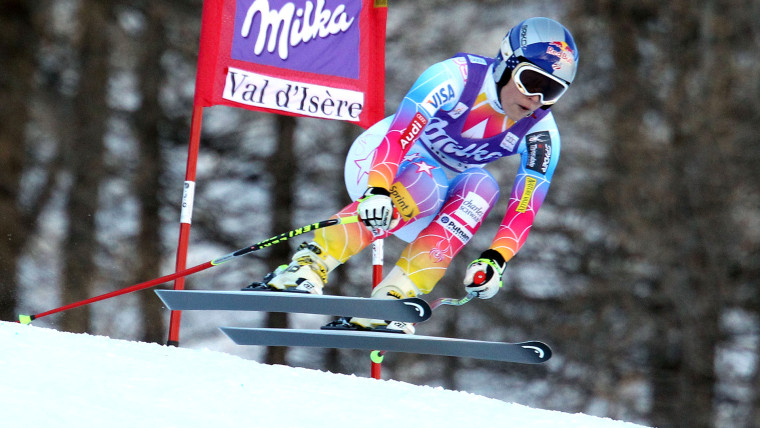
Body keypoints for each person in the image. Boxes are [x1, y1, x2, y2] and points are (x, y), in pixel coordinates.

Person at [247, 17, 578, 334]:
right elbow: (398, 137)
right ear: (506, 63)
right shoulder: (455, 77)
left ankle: (394, 298)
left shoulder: (542, 133)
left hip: (435, 190)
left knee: (483, 186)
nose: (536, 98)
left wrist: (495, 260)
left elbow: (524, 208)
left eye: (551, 91)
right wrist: (377, 189)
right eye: (531, 81)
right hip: (381, 161)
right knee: (426, 180)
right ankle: (306, 265)